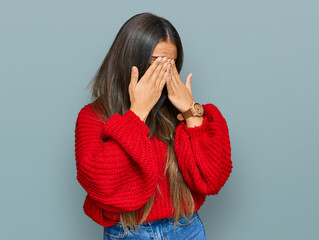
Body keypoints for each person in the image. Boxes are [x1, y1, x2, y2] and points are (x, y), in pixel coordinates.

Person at [74, 12, 233, 240]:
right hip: (127, 233)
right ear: (131, 60)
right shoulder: (93, 117)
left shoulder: (179, 114)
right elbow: (102, 186)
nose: (164, 72)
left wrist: (191, 112)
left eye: (171, 64)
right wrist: (137, 114)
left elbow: (212, 178)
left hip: (187, 230)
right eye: (156, 63)